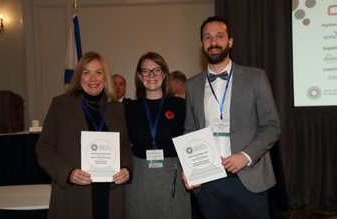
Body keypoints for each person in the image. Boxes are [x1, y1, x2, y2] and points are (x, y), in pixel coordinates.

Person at [183, 16, 281, 219]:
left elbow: (272, 126)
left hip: (249, 178)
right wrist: (190, 168)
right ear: (201, 44)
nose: (213, 42)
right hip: (208, 183)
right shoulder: (191, 85)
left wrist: (244, 156)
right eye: (207, 37)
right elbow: (190, 130)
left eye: (219, 36)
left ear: (230, 41)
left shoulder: (256, 78)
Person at [35, 51, 132, 219]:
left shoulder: (117, 108)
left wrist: (126, 168)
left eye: (98, 73)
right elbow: (44, 149)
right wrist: (68, 173)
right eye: (86, 73)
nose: (93, 79)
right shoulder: (61, 105)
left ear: (105, 77)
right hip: (74, 196)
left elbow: (125, 145)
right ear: (79, 78)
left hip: (111, 196)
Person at [125, 52, 191, 219]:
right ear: (139, 76)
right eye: (146, 71)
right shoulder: (129, 108)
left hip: (172, 174)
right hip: (139, 176)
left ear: (164, 74)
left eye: (156, 70)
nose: (151, 75)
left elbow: (191, 137)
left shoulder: (179, 105)